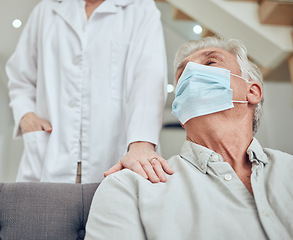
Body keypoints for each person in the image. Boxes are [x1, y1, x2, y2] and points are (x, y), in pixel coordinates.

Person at [84, 37, 293, 240]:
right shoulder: (130, 186)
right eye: (182, 73)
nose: (191, 74)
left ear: (252, 91)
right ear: (181, 112)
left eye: (210, 62)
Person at [6, 0, 174, 183]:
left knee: (112, 206)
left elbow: (149, 79)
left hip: (114, 156)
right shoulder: (46, 9)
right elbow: (20, 76)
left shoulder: (141, 9)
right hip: (49, 154)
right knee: (41, 210)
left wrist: (142, 142)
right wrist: (26, 116)